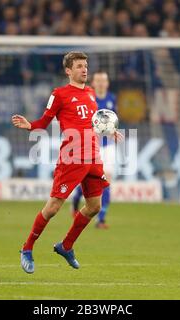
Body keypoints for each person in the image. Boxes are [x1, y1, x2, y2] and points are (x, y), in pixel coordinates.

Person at [12, 52, 122, 274]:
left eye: (86, 66)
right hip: (72, 159)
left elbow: (94, 123)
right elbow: (44, 121)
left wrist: (110, 131)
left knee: (94, 207)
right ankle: (27, 248)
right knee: (52, 208)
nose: (85, 70)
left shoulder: (91, 93)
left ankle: (66, 245)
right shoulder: (59, 94)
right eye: (80, 66)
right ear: (68, 71)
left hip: (93, 158)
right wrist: (30, 126)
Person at [71, 71, 116, 229]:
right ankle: (75, 202)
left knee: (106, 181)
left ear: (107, 83)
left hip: (108, 146)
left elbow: (112, 121)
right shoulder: (87, 97)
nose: (102, 83)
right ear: (93, 82)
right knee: (84, 179)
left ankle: (101, 219)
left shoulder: (112, 99)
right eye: (98, 80)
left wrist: (112, 130)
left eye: (104, 80)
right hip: (90, 146)